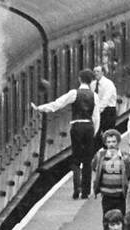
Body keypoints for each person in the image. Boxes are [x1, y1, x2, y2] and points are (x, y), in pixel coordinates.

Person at [37, 69, 98, 199]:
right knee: (87, 161)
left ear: (79, 79)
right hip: (89, 126)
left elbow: (57, 104)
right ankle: (86, 191)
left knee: (76, 159)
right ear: (91, 81)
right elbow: (96, 116)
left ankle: (77, 188)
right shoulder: (94, 95)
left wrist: (41, 108)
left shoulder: (74, 93)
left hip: (76, 126)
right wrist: (94, 132)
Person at [92, 129, 130, 229]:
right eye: (109, 142)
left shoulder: (125, 156)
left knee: (120, 219)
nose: (111, 144)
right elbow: (94, 167)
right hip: (106, 195)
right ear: (105, 143)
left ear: (118, 142)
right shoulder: (100, 155)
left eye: (114, 142)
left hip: (120, 195)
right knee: (107, 219)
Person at [92, 65, 119, 153]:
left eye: (98, 71)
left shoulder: (108, 84)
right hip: (98, 111)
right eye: (94, 71)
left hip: (108, 111)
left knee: (109, 134)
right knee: (96, 133)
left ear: (102, 73)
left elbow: (105, 99)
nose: (96, 73)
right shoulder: (93, 84)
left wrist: (97, 111)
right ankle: (98, 154)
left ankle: (110, 153)